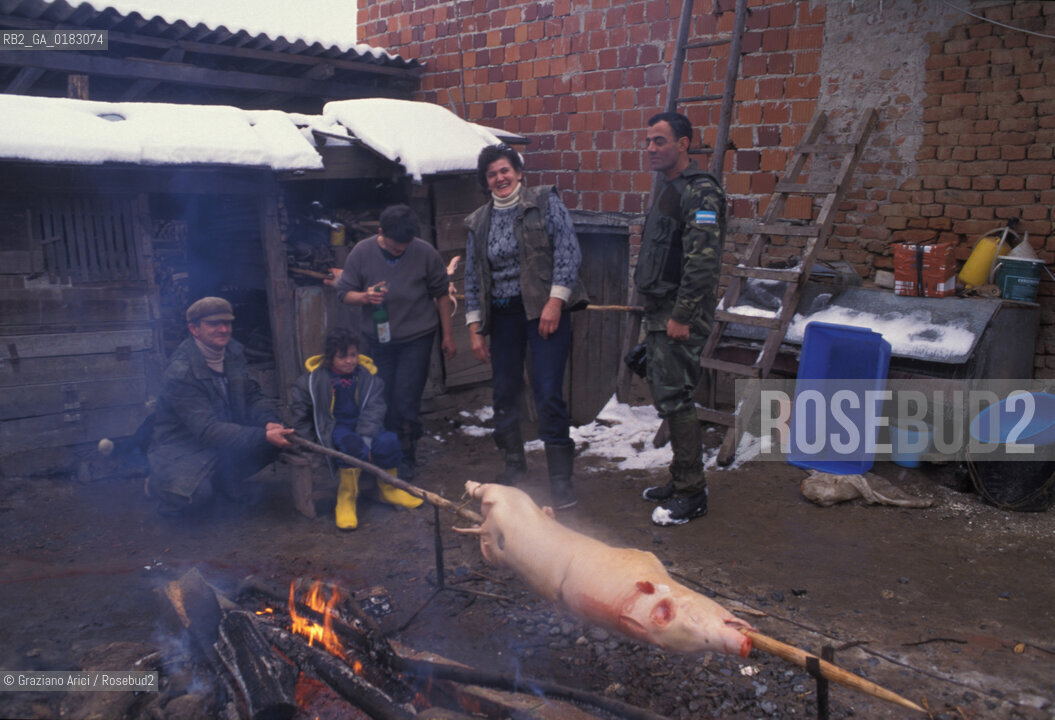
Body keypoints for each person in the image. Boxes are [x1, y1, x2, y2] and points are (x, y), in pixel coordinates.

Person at [463, 144, 589, 509]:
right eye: (492, 174)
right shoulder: (478, 222)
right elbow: (473, 276)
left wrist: (555, 301)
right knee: (504, 392)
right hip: (503, 317)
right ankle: (514, 467)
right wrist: (474, 327)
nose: (500, 178)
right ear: (485, 182)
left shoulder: (545, 203)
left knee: (548, 390)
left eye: (505, 170)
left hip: (544, 312)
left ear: (519, 172)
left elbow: (568, 251)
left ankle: (560, 481)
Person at [635, 112, 726, 527]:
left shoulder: (700, 193)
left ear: (684, 144)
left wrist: (682, 316)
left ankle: (692, 492)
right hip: (663, 310)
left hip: (679, 314)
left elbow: (703, 264)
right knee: (667, 395)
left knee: (677, 399)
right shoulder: (670, 189)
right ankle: (680, 478)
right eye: (648, 141)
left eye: (660, 141)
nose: (651, 148)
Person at [331, 205, 455, 480]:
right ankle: (385, 453)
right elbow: (344, 294)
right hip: (377, 340)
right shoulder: (362, 252)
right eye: (395, 245)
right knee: (381, 398)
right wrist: (365, 297)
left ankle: (406, 456)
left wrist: (447, 335)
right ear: (380, 232)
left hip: (417, 338)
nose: (400, 250)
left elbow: (442, 294)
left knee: (406, 398)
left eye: (405, 245)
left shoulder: (425, 253)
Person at [148, 296, 294, 516]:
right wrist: (261, 435)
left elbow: (252, 394)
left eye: (227, 323)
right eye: (214, 324)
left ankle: (224, 480)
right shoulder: (181, 372)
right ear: (194, 329)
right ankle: (157, 485)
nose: (223, 329)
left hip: (221, 439)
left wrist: (268, 422)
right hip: (183, 448)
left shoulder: (233, 353)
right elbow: (207, 430)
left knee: (274, 443)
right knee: (198, 498)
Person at [289, 327, 422, 530]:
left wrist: (366, 437)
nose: (350, 361)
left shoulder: (368, 378)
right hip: (335, 428)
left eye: (353, 355)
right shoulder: (312, 381)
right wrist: (309, 445)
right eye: (343, 357)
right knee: (350, 445)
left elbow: (375, 409)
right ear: (330, 357)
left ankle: (389, 489)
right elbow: (299, 416)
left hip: (364, 426)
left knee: (389, 441)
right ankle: (347, 497)